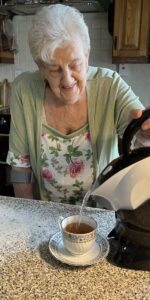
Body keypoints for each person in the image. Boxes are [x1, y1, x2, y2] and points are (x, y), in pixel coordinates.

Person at [6, 4, 150, 205]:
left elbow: (139, 135)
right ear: (41, 68)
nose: (67, 80)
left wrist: (144, 133)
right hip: (47, 213)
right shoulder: (24, 90)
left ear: (87, 55)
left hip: (102, 214)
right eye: (55, 69)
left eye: (75, 64)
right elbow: (20, 166)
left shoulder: (111, 85)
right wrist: (27, 211)